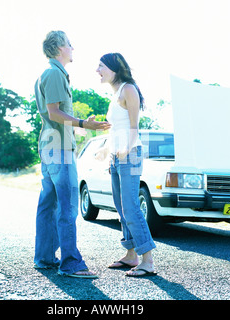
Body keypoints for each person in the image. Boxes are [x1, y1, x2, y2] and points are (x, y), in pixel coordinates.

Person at [34, 31, 111, 278]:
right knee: (67, 206)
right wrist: (83, 124)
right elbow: (55, 112)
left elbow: (53, 115)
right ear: (58, 47)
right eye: (69, 44)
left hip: (50, 147)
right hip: (59, 149)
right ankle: (70, 263)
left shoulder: (48, 74)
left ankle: (44, 258)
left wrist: (79, 125)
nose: (72, 48)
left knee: (49, 204)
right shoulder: (55, 73)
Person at [96, 53, 157, 277]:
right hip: (116, 155)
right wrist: (107, 149)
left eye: (101, 66)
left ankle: (147, 260)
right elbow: (116, 129)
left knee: (131, 206)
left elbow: (134, 126)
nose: (97, 70)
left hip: (129, 155)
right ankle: (131, 255)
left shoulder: (129, 89)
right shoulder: (115, 94)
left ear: (114, 68)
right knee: (121, 208)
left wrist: (126, 149)